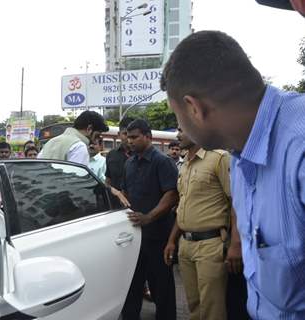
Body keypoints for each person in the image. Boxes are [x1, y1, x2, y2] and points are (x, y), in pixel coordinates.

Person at [160, 30, 305, 319]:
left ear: (193, 108)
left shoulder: (297, 149)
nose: (180, 129)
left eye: (177, 118)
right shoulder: (239, 153)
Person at [163, 127, 243, 320]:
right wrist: (172, 240)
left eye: (182, 130)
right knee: (194, 306)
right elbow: (184, 205)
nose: (178, 135)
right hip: (186, 245)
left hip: (211, 244)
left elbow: (237, 203)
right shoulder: (185, 164)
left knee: (211, 308)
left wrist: (235, 244)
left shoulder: (219, 158)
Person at [121, 119, 179, 320]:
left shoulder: (163, 162)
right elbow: (125, 194)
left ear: (148, 137)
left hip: (158, 238)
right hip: (134, 238)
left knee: (161, 289)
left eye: (135, 137)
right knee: (132, 286)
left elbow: (172, 194)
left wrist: (148, 217)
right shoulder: (129, 163)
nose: (130, 141)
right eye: (129, 137)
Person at [38, 110, 109, 166]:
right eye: (97, 136)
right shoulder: (79, 146)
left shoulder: (50, 143)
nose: (96, 141)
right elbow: (78, 180)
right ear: (89, 129)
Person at [105, 117, 134, 207]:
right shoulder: (111, 155)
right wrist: (115, 192)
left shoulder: (142, 155)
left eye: (132, 135)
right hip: (116, 208)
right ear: (119, 134)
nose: (128, 138)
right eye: (125, 134)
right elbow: (108, 181)